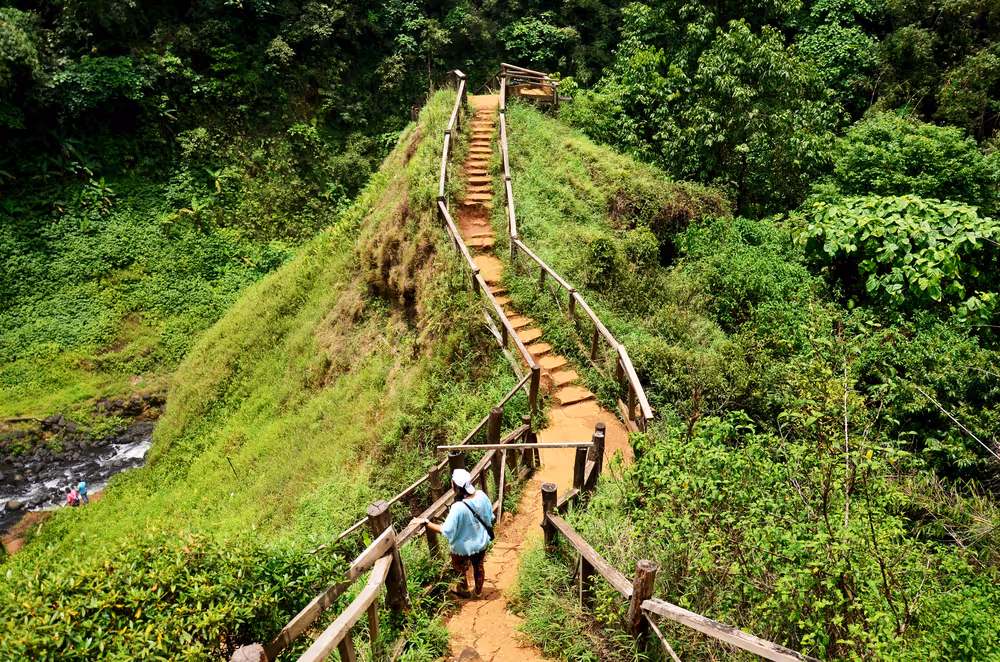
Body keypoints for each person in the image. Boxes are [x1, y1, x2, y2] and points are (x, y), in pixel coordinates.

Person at [419, 468, 494, 598]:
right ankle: (478, 593)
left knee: (459, 565)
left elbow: (446, 530)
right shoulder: (481, 495)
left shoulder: (457, 507)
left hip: (462, 547)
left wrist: (425, 522)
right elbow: (490, 516)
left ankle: (464, 589)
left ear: (455, 486)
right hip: (481, 541)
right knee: (479, 565)